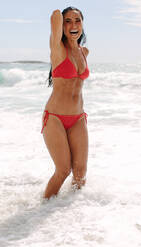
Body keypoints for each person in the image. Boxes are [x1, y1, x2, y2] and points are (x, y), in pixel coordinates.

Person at [41, 6, 90, 199]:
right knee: (63, 170)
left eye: (77, 20)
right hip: (55, 118)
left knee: (80, 173)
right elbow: (54, 16)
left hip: (78, 118)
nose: (73, 25)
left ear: (83, 24)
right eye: (68, 21)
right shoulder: (57, 48)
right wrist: (60, 17)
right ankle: (41, 210)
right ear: (62, 26)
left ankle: (71, 216)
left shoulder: (84, 51)